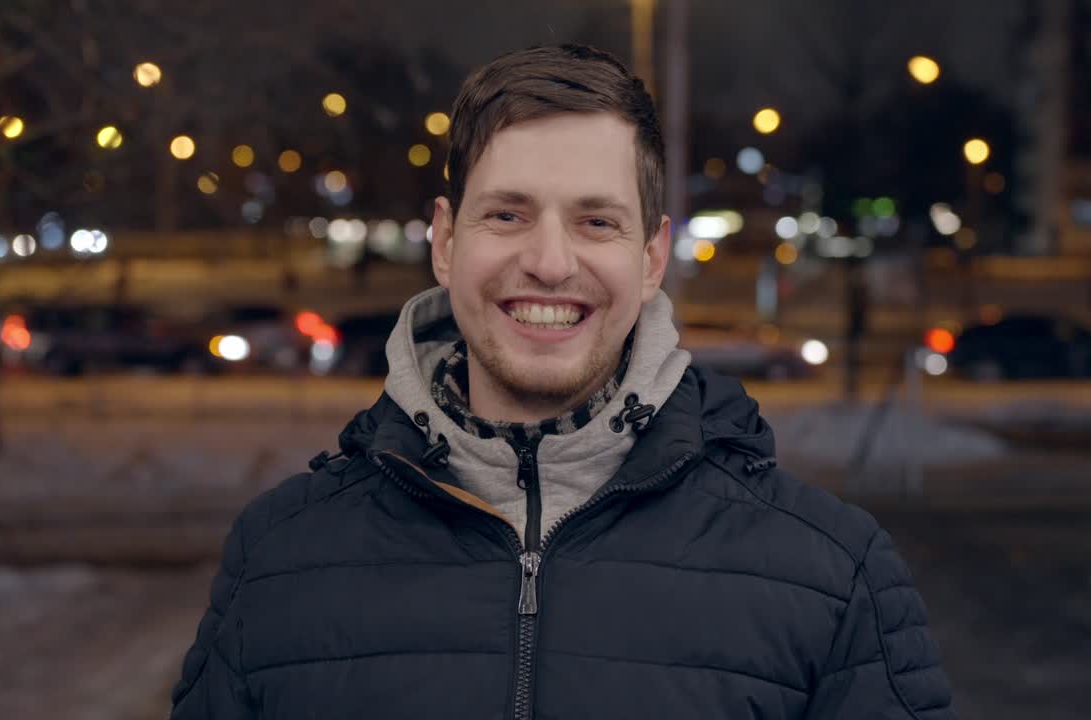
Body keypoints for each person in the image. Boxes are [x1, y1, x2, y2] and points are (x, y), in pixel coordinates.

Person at [169, 44, 953, 719]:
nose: (548, 261)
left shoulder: (831, 575)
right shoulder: (281, 559)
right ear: (445, 242)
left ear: (651, 258)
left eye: (596, 221)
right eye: (507, 215)